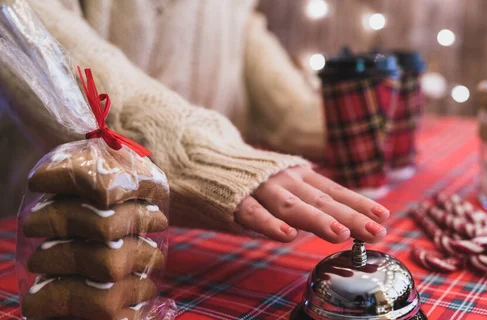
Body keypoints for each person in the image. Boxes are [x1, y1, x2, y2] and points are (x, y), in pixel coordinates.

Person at [0, 0, 389, 244]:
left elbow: (239, 29)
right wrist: (204, 156)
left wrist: (343, 126)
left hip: (195, 231)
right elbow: (30, 30)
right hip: (64, 223)